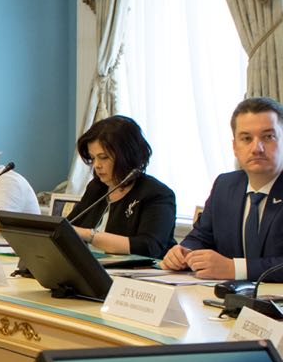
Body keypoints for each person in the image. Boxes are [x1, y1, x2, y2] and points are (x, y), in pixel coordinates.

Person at [163, 97, 283, 280]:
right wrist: (183, 253)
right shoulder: (225, 185)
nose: (256, 148)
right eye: (246, 138)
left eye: (268, 137)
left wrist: (234, 268)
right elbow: (201, 238)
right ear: (235, 147)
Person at [60, 116, 176, 258]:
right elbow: (69, 227)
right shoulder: (96, 188)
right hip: (91, 267)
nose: (96, 165)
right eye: (93, 158)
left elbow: (149, 246)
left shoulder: (157, 194)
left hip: (136, 271)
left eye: (103, 157)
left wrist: (89, 235)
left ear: (126, 155)